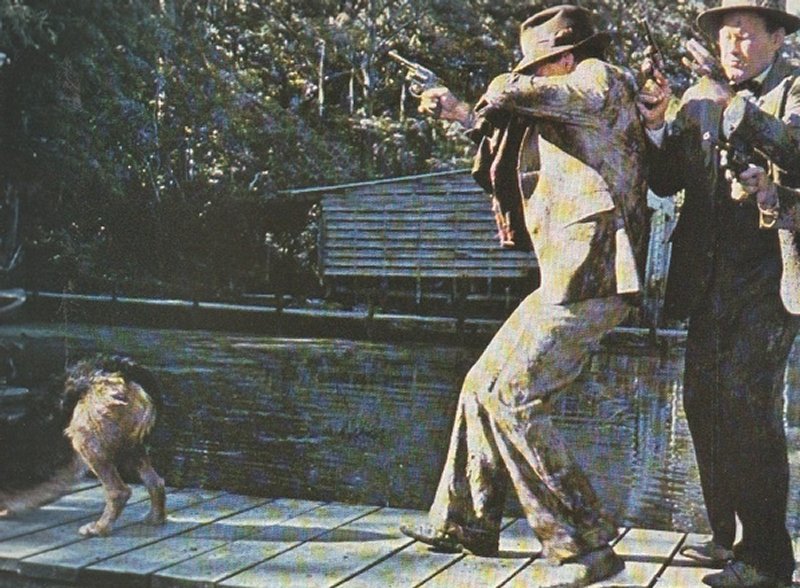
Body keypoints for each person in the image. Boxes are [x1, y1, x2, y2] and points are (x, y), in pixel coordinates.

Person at [398, 5, 649, 586]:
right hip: (568, 275)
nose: (531, 76)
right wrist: (458, 111)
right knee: (482, 382)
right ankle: (465, 520)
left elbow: (548, 96)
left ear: (566, 57)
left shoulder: (600, 79)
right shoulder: (557, 110)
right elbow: (507, 148)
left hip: (597, 273)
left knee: (513, 395)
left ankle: (584, 546)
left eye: (537, 65)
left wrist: (503, 85)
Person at [637, 1, 800, 586]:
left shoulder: (793, 91)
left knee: (747, 409)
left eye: (746, 36)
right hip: (707, 280)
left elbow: (796, 152)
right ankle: (725, 538)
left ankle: (767, 560)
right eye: (726, 37)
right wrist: (657, 120)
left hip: (768, 276)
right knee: (703, 404)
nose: (732, 46)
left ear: (777, 39)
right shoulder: (698, 98)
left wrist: (733, 105)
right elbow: (664, 180)